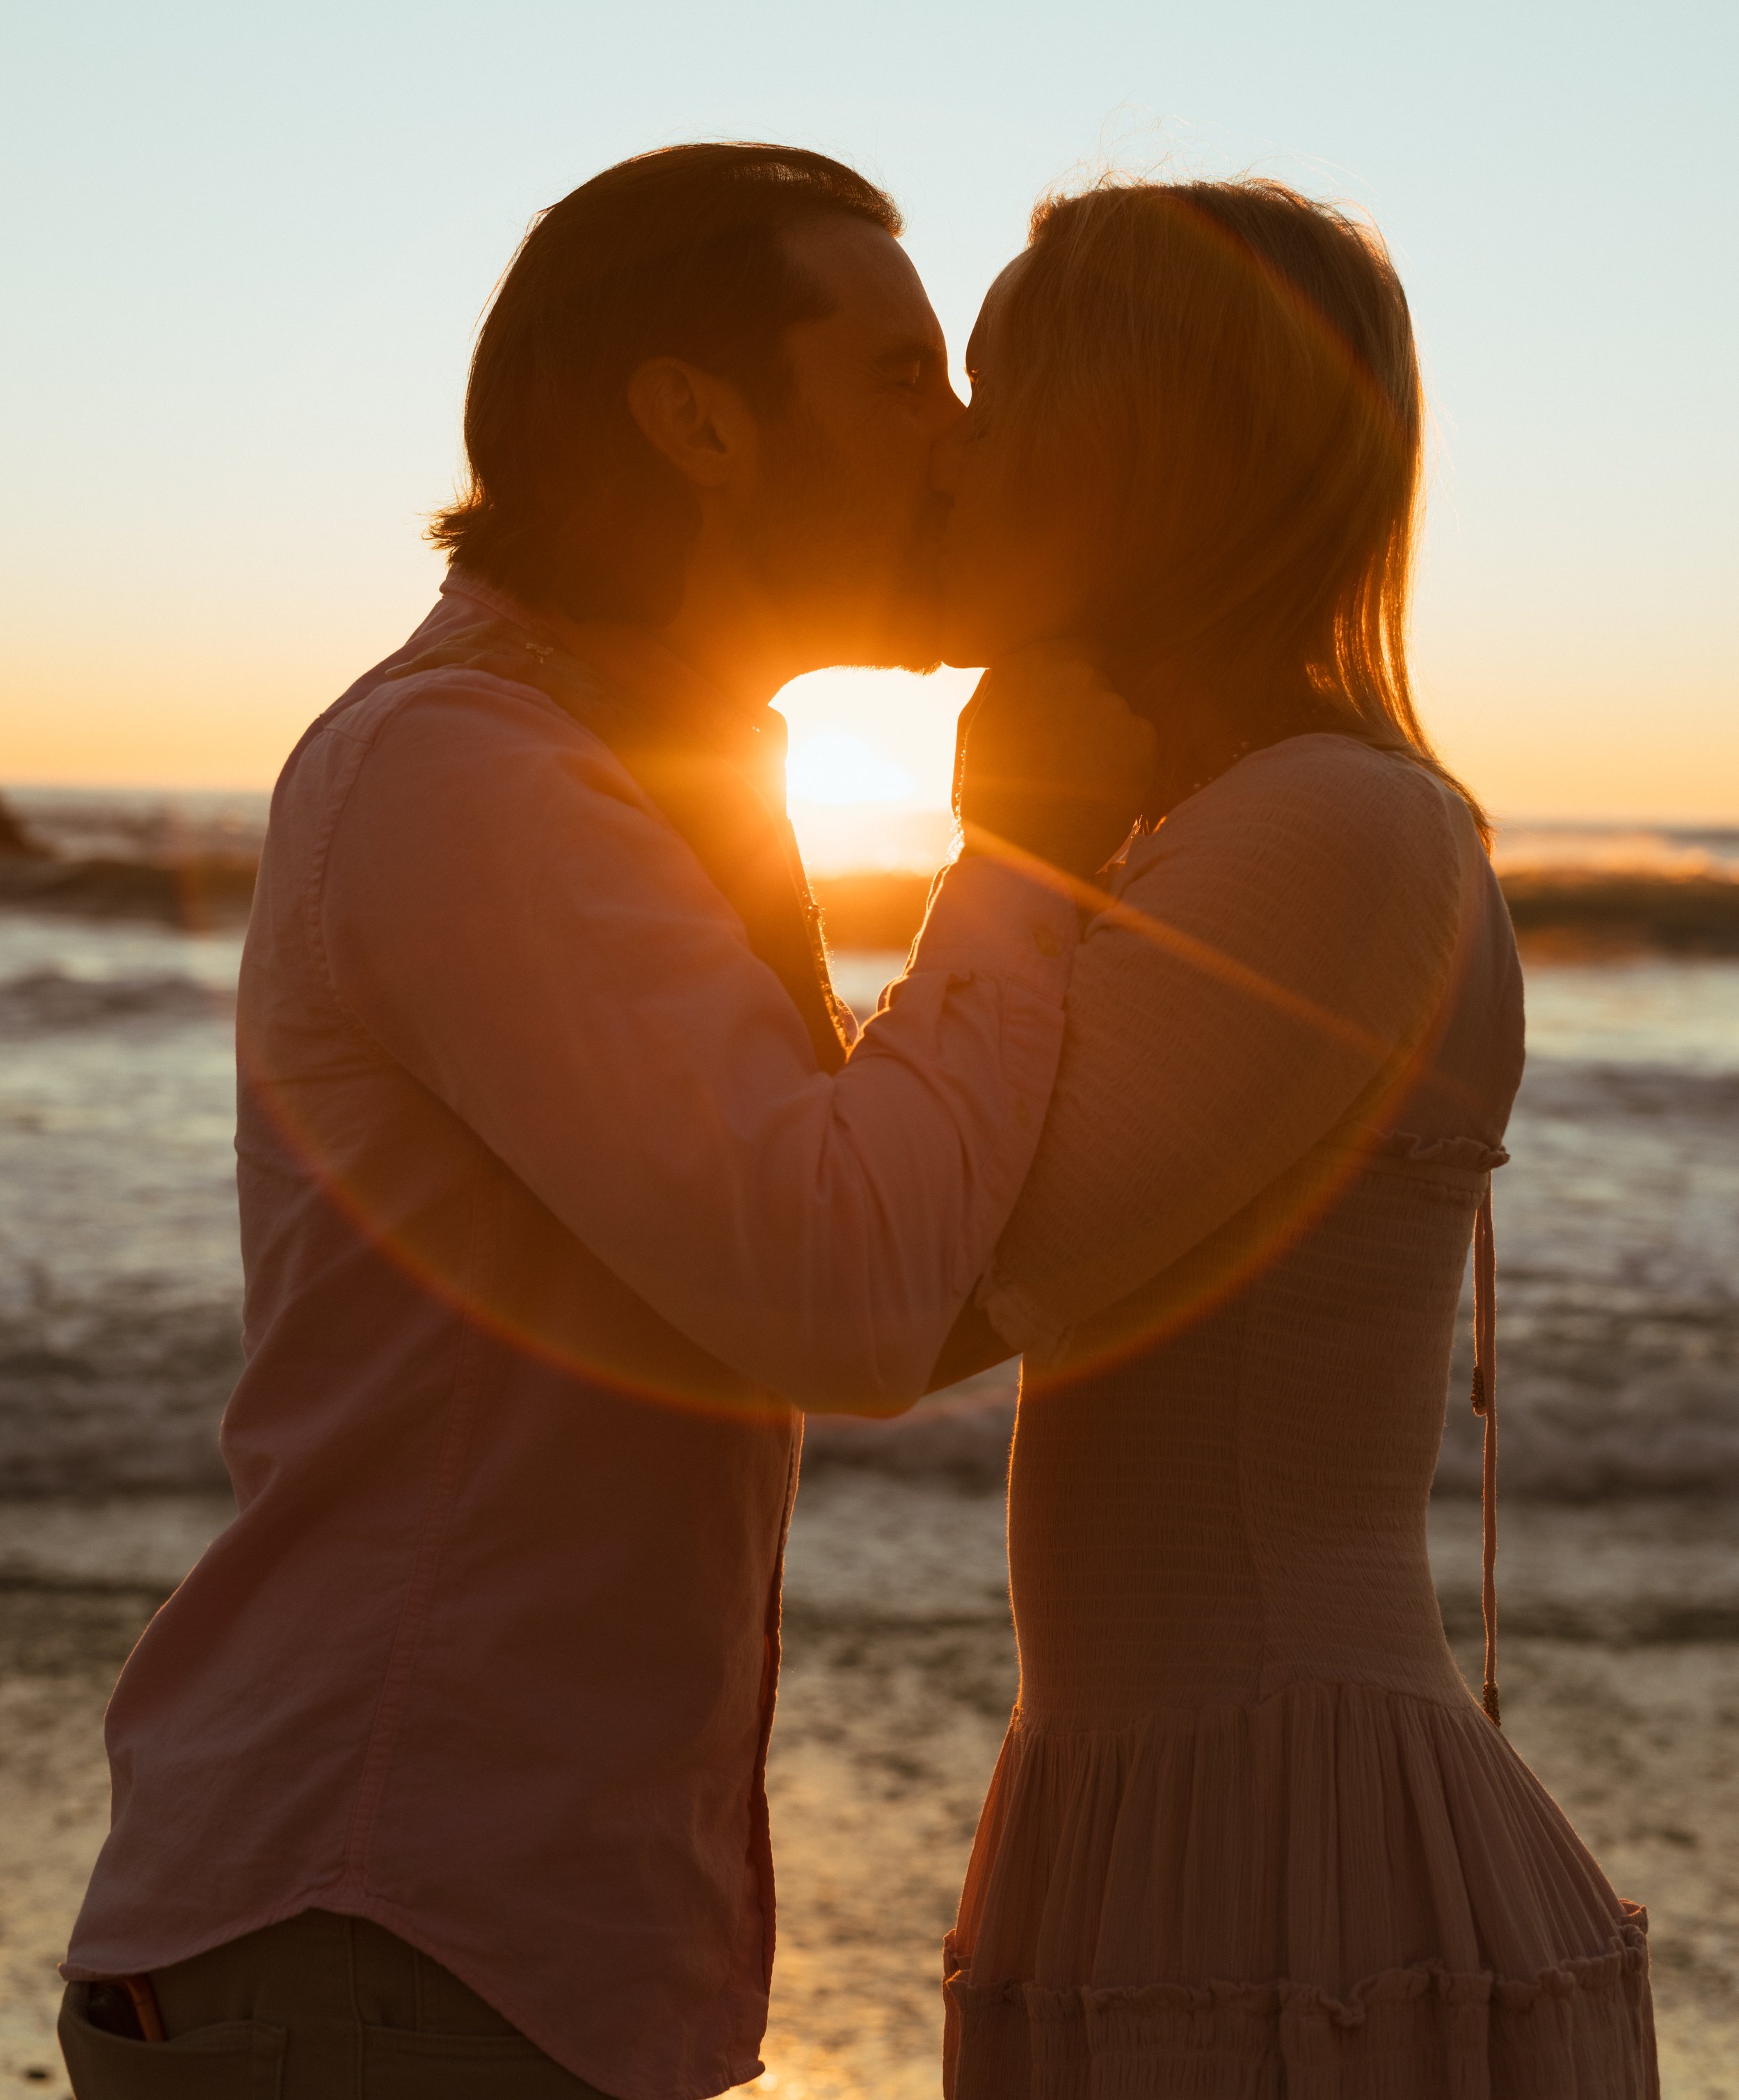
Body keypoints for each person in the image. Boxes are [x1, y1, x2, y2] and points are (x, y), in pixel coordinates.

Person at [60, 143, 1155, 2100]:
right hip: (379, 1939)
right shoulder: (468, 778)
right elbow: (840, 1286)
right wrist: (1026, 844)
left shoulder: (663, 784)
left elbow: (892, 1258)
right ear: (695, 417)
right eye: (903, 375)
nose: (964, 442)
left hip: (480, 1950)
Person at [927, 177, 1658, 2097]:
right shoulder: (1225, 834)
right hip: (1171, 1793)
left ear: (1135, 452)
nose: (953, 447)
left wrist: (991, 845)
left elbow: (925, 1282)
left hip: (1276, 1845)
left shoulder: (1328, 831)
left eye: (1002, 395)